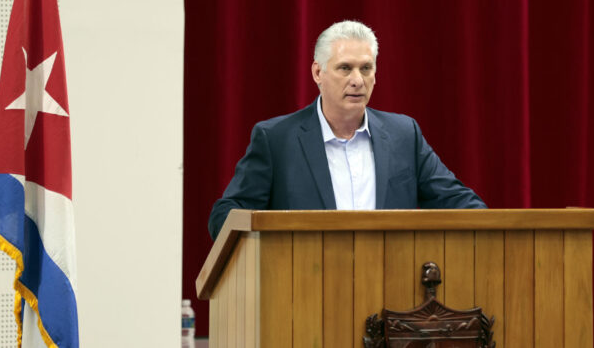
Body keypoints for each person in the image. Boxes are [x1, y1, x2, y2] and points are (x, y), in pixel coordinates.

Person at [208, 20, 485, 240]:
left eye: (366, 68)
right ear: (318, 73)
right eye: (345, 68)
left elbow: (458, 202)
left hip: (390, 295)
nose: (357, 80)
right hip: (304, 290)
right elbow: (225, 217)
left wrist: (501, 229)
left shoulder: (404, 135)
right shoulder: (276, 140)